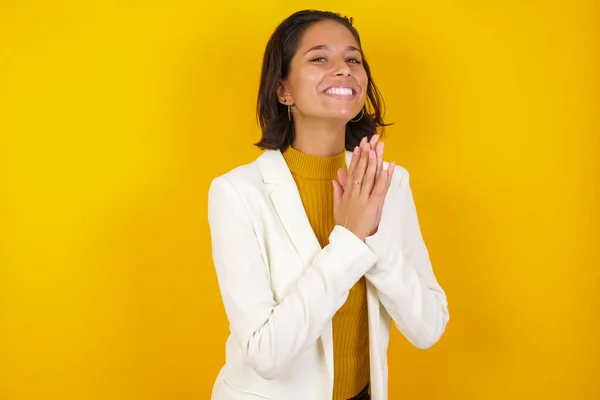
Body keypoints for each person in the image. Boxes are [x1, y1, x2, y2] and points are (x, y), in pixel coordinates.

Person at [207, 9, 449, 400]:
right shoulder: (236, 192)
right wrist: (351, 240)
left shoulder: (390, 182)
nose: (343, 70)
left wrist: (373, 239)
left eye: (353, 59)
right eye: (320, 58)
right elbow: (266, 355)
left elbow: (428, 327)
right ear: (283, 90)